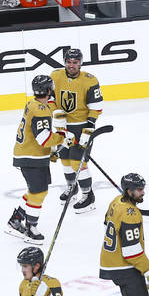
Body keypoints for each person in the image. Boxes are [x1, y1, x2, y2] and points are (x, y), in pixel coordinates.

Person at [7, 74, 73, 244]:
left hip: (30, 154)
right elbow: (43, 138)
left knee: (35, 191)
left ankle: (16, 219)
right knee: (39, 192)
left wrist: (52, 149)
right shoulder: (40, 110)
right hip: (31, 157)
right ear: (49, 90)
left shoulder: (32, 103)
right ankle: (31, 228)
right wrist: (62, 139)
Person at [50, 48, 103, 213]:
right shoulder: (55, 76)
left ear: (80, 63)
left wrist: (89, 127)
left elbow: (96, 106)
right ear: (64, 62)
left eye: (75, 62)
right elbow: (49, 97)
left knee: (77, 161)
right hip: (63, 126)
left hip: (82, 126)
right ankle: (72, 187)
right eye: (69, 62)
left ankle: (88, 196)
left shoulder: (90, 80)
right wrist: (56, 112)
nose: (71, 65)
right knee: (64, 159)